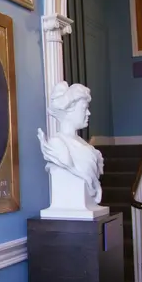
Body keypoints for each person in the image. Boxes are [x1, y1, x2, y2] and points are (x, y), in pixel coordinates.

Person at [37, 82, 107, 219]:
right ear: (68, 110)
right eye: (84, 108)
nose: (89, 113)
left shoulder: (83, 145)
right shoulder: (57, 144)